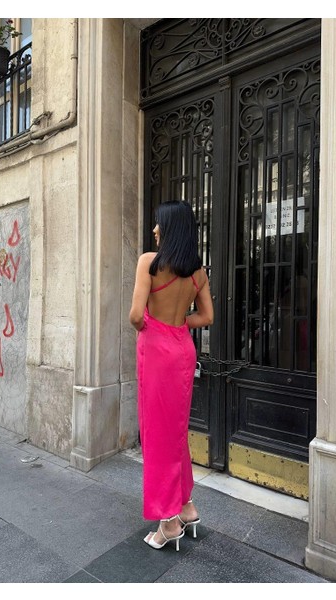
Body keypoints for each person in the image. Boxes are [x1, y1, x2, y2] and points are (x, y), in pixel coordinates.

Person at [129, 200, 214, 551]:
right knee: (175, 430)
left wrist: (155, 328)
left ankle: (168, 521)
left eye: (158, 223)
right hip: (182, 350)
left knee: (157, 434)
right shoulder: (198, 272)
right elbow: (207, 317)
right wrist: (178, 325)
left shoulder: (149, 262)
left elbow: (136, 316)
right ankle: (186, 506)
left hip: (157, 352)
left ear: (170, 229)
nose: (154, 230)